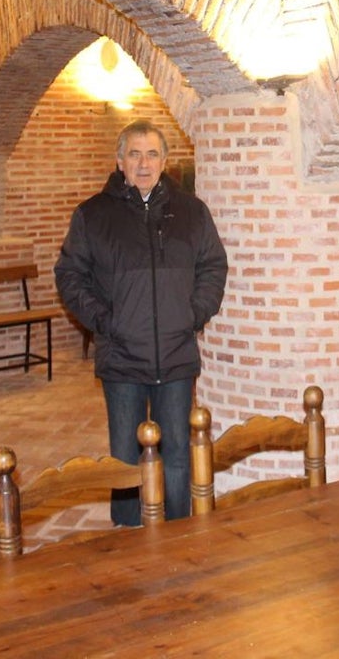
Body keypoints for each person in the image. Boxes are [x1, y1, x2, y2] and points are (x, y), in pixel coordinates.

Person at [55, 120, 228, 525]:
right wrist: (104, 321)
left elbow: (213, 266)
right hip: (121, 356)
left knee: (178, 456)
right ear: (120, 161)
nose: (144, 162)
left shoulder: (191, 212)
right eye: (134, 154)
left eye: (152, 154)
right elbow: (70, 275)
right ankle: (128, 530)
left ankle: (181, 529)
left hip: (175, 353)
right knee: (125, 458)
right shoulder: (92, 215)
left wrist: (192, 314)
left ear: (165, 161)